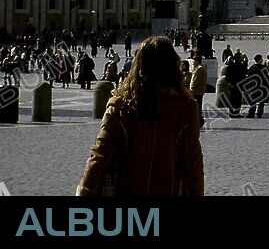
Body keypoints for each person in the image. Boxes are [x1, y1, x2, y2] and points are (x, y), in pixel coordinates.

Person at [77, 36, 204, 196]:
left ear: (138, 66)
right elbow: (193, 163)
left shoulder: (119, 106)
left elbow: (100, 154)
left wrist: (85, 191)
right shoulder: (186, 108)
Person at [245, 55, 269, 119]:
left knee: (256, 102)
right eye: (261, 59)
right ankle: (257, 114)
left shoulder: (252, 68)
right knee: (258, 102)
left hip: (256, 87)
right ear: (258, 59)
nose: (262, 60)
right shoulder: (262, 67)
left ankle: (252, 114)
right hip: (259, 87)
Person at [189, 53, 207, 126]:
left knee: (197, 107)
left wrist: (191, 90)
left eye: (194, 60)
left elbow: (195, 81)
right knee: (197, 107)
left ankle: (198, 121)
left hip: (197, 92)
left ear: (197, 61)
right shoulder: (198, 68)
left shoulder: (199, 69)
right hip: (198, 91)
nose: (193, 62)